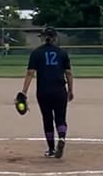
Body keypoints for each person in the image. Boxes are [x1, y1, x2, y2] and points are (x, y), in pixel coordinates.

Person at [22, 27, 73, 158]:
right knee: (60, 118)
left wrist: (24, 92)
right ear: (55, 38)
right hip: (59, 90)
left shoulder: (36, 53)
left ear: (43, 38)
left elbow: (30, 73)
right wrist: (70, 90)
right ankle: (62, 138)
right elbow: (68, 73)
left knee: (47, 118)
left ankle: (51, 149)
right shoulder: (62, 53)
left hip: (43, 91)